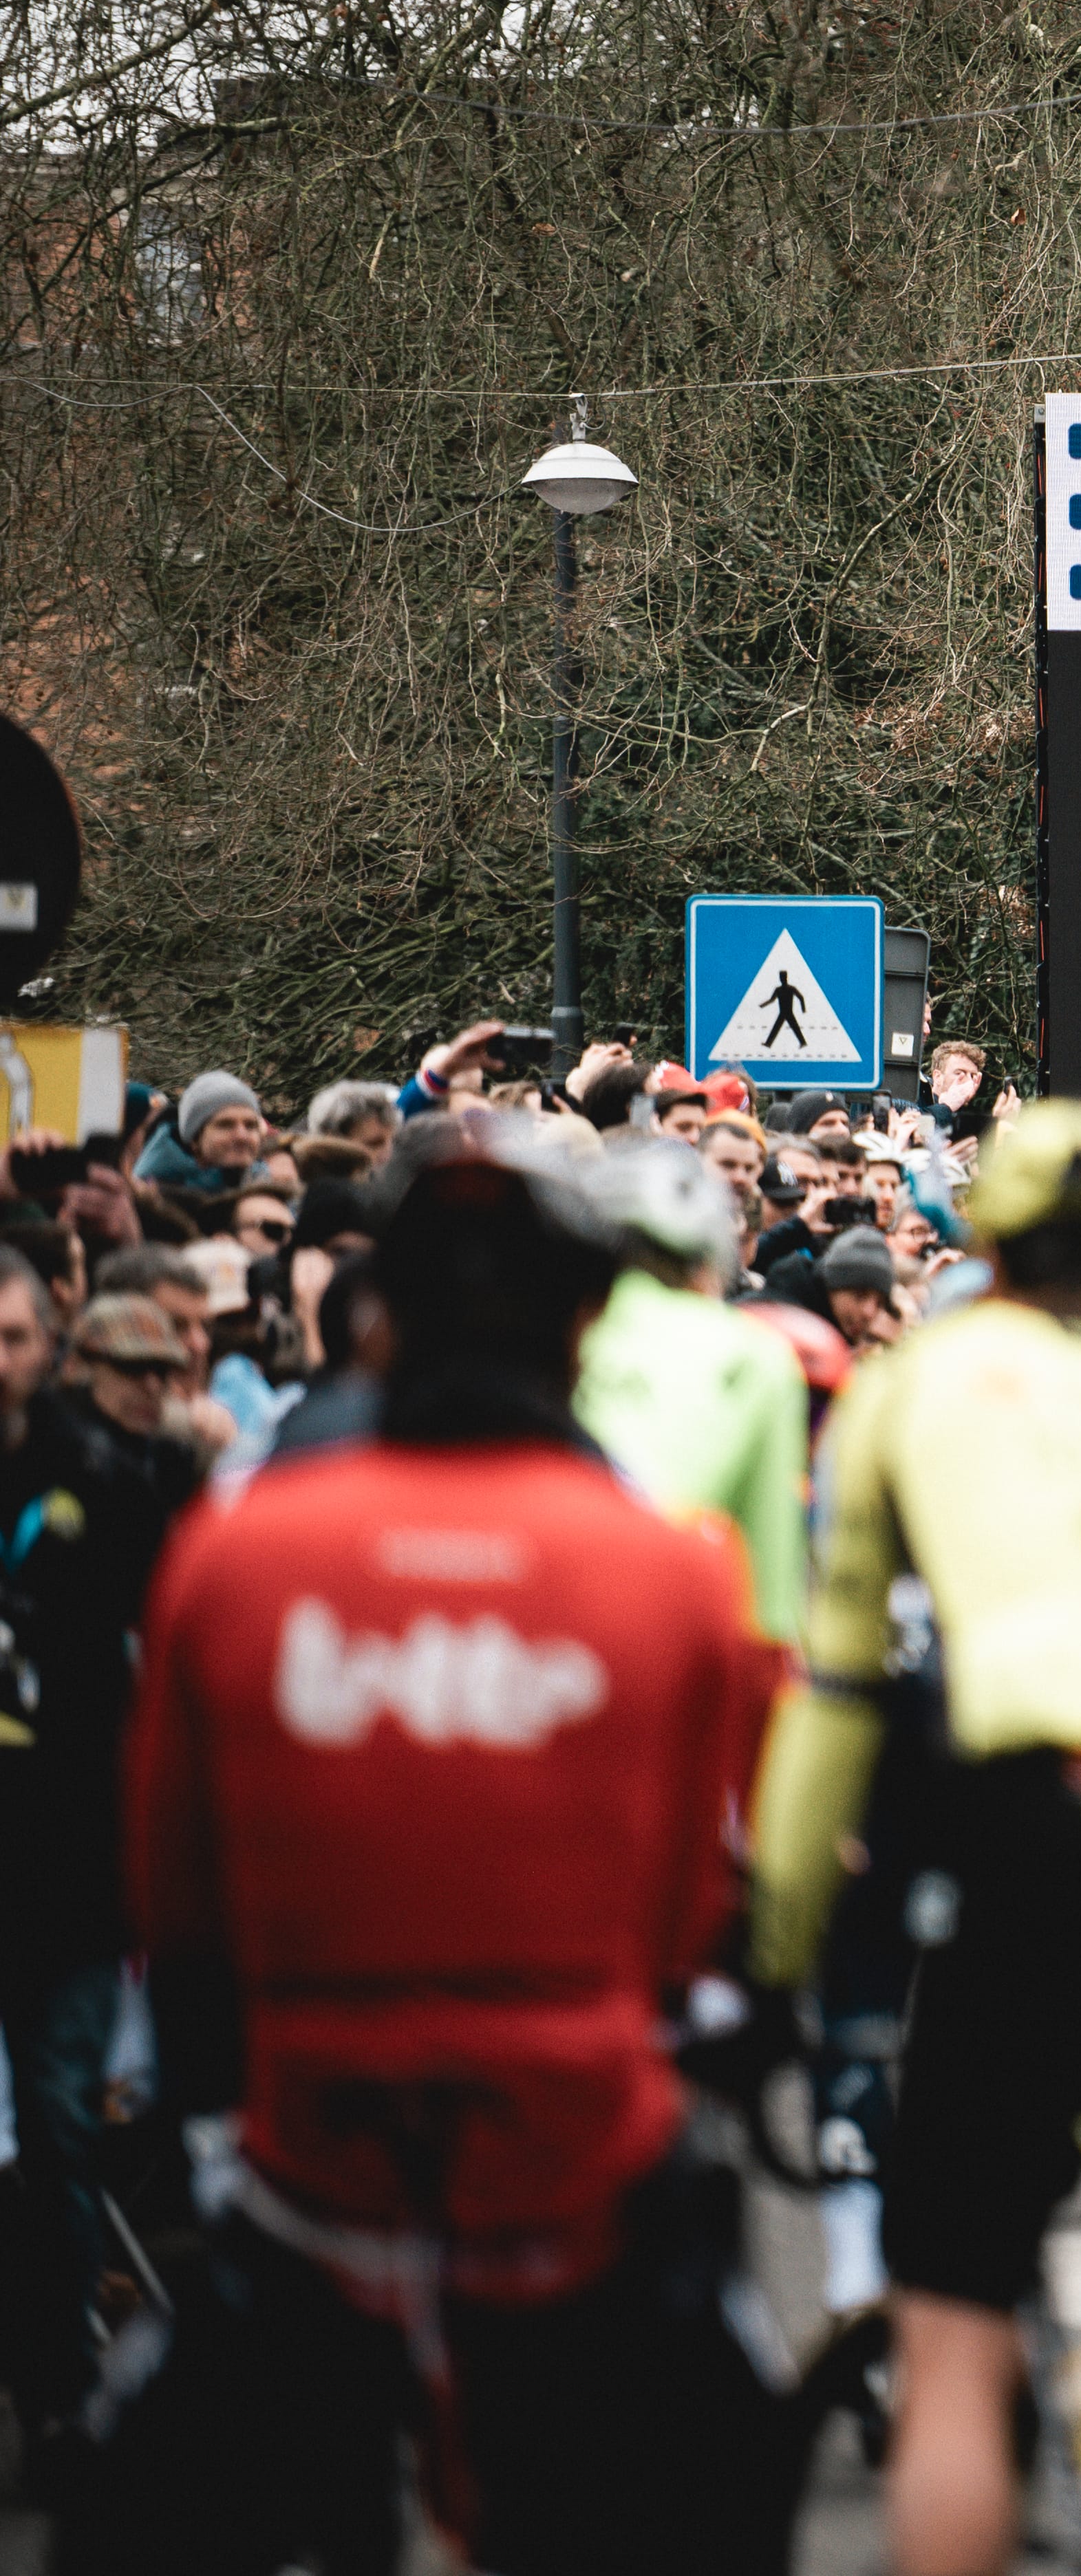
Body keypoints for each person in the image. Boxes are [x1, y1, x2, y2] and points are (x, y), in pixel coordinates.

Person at [78, 1123, 782, 2576]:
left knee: (135, 2494)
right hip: (574, 2162)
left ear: (378, 1313)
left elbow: (171, 1894)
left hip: (308, 2152)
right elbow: (689, 1917)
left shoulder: (237, 1546)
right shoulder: (668, 1573)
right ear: (582, 1324)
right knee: (727, 2464)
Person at [745, 1100, 1081, 2576]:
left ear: (984, 1242)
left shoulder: (919, 1380)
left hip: (1023, 1814)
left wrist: (776, 1943)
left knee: (957, 2315)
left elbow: (842, 1677)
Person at [0, 1259, 181, 2480]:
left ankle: (56, 2391)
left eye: (12, 1334)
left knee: (59, 2132)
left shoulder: (105, 1480)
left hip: (64, 1867)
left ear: (45, 1342)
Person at [573, 1138, 812, 1652]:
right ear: (709, 1265)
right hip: (669, 1633)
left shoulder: (553, 1335)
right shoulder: (756, 1354)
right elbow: (769, 1603)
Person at [132, 1072, 268, 1205]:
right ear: (195, 1139)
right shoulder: (148, 1202)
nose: (242, 1136)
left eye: (250, 1125)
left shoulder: (266, 1190)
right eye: (225, 1125)